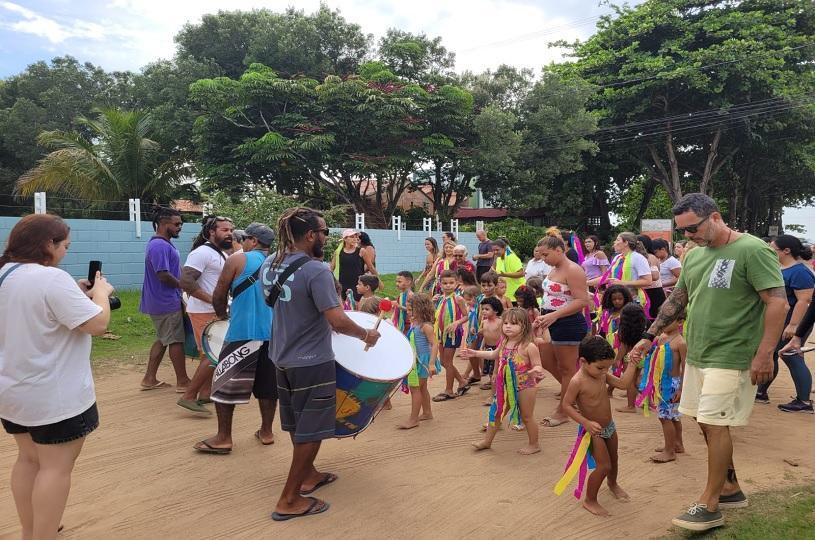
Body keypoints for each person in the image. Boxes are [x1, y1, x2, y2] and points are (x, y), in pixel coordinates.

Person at [629, 193, 787, 532]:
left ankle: (710, 504)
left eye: (693, 228)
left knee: (714, 424)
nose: (688, 236)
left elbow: (777, 303)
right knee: (704, 422)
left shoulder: (753, 249)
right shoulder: (696, 255)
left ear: (714, 217)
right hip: (699, 353)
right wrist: (648, 335)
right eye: (682, 231)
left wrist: (764, 353)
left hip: (732, 355)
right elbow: (678, 300)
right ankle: (730, 487)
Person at [261, 207, 380, 521]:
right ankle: (288, 499)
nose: (328, 238)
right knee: (312, 430)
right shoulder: (316, 270)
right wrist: (366, 334)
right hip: (312, 361)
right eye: (325, 232)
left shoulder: (270, 265)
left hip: (282, 357)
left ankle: (309, 473)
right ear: (311, 235)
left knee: (299, 423)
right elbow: (338, 320)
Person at [0, 214, 114, 539]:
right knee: (54, 468)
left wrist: (76, 292)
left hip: (13, 393)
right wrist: (101, 293)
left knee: (28, 461)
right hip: (54, 398)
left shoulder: (5, 273)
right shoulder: (51, 279)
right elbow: (97, 325)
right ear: (48, 244)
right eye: (65, 246)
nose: (65, 252)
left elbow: (34, 309)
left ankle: (30, 530)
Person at [193, 223, 278, 454]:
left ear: (251, 240)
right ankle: (267, 432)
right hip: (273, 334)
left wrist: (222, 317)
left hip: (242, 332)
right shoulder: (280, 263)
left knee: (224, 384)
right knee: (268, 386)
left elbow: (219, 295)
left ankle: (223, 437)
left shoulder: (237, 260)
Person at [559, 336, 637, 516]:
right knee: (603, 466)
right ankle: (590, 500)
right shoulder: (577, 381)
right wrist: (585, 423)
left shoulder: (601, 374)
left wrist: (632, 364)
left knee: (614, 459)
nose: (604, 371)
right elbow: (566, 405)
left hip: (609, 426)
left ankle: (612, 484)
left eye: (607, 367)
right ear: (583, 362)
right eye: (601, 367)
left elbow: (623, 384)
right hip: (592, 432)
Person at [462, 307, 544, 455]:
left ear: (524, 326)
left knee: (526, 417)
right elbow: (494, 354)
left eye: (513, 323)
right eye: (505, 323)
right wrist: (475, 353)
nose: (508, 326)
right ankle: (487, 441)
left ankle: (534, 444)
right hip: (505, 386)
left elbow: (538, 365)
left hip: (525, 386)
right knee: (496, 414)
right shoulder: (504, 342)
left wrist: (536, 370)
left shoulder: (529, 346)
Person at [177, 216, 234, 414]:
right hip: (203, 311)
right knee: (213, 354)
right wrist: (213, 300)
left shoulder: (222, 254)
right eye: (224, 230)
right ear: (211, 232)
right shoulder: (201, 253)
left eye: (230, 230)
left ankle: (205, 393)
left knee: (211, 353)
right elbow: (186, 281)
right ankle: (188, 396)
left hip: (215, 310)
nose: (229, 233)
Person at [534, 235, 590, 428]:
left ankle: (564, 410)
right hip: (552, 321)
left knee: (567, 369)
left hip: (568, 324)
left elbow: (582, 301)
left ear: (559, 250)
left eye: (546, 254)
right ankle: (577, 394)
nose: (543, 259)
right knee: (547, 360)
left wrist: (554, 315)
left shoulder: (574, 270)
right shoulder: (555, 269)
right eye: (541, 255)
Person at [755, 235, 814, 412]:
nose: (770, 252)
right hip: (780, 322)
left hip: (792, 323)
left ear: (786, 251)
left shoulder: (800, 272)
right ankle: (761, 392)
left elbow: (804, 300)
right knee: (771, 354)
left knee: (790, 355)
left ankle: (803, 401)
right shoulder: (783, 269)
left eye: (773, 249)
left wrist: (794, 326)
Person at [139, 207, 190, 392]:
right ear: (163, 223)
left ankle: (149, 378)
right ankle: (183, 381)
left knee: (163, 338)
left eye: (181, 224)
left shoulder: (163, 244)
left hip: (161, 300)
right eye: (176, 224)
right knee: (175, 340)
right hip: (165, 301)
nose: (179, 227)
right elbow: (163, 275)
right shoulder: (160, 245)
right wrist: (184, 287)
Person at [641, 316, 687, 464]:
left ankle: (670, 451)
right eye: (664, 320)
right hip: (660, 381)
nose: (665, 324)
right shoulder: (661, 337)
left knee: (665, 417)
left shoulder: (680, 342)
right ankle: (677, 444)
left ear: (680, 322)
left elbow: (685, 366)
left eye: (669, 321)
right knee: (672, 416)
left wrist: (681, 388)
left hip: (671, 384)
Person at [398, 293, 439, 430]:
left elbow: (435, 344)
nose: (408, 312)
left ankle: (413, 419)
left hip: (422, 362)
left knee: (415, 388)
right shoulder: (416, 324)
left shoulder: (425, 326)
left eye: (410, 309)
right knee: (422, 388)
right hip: (417, 360)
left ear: (420, 309)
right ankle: (427, 412)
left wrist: (431, 363)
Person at [432, 270, 470, 402]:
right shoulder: (440, 298)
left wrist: (457, 323)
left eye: (451, 283)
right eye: (445, 283)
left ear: (457, 283)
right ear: (440, 284)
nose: (448, 285)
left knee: (448, 362)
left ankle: (449, 390)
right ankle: (462, 381)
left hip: (452, 334)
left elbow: (466, 315)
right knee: (443, 362)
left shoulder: (458, 298)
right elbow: (436, 315)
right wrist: (432, 302)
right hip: (441, 334)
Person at [477, 296, 504, 391]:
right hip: (488, 348)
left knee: (495, 371)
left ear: (496, 311)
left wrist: (501, 348)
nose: (484, 311)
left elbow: (503, 336)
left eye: (487, 309)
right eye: (483, 309)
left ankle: (495, 394)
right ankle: (494, 390)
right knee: (490, 371)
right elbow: (484, 334)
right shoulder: (484, 322)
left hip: (497, 349)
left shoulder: (500, 322)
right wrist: (481, 346)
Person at [331, 229, 366, 302]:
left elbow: (370, 266)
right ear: (345, 239)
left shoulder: (361, 251)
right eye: (352, 237)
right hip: (342, 284)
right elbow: (331, 268)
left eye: (355, 237)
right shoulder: (338, 252)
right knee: (344, 308)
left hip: (357, 285)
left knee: (356, 308)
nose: (355, 239)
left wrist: (377, 279)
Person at [638, 235, 667, 319]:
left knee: (653, 319)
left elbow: (655, 276)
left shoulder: (650, 257)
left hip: (653, 293)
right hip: (644, 293)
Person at [491, 239, 525, 304]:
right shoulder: (499, 258)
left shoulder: (512, 257)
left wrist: (505, 275)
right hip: (505, 294)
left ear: (504, 248)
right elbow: (494, 270)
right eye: (493, 250)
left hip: (515, 294)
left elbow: (521, 273)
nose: (495, 252)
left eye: (497, 250)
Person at [392, 271, 414, 335]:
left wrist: (398, 306)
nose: (397, 284)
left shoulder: (410, 295)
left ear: (408, 282)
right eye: (396, 281)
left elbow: (413, 311)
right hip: (401, 324)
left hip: (407, 325)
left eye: (399, 282)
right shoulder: (401, 294)